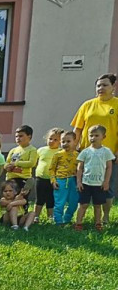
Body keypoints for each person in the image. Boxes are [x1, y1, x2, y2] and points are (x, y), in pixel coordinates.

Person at [71, 74, 118, 220]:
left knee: (107, 187)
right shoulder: (87, 105)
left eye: (105, 85)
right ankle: (80, 218)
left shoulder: (116, 105)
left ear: (113, 87)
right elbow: (77, 129)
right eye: (98, 85)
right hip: (87, 153)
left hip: (108, 155)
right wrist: (73, 148)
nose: (101, 88)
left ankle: (105, 217)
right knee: (83, 186)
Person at [74, 125, 116, 232]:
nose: (93, 138)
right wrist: (79, 181)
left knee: (98, 205)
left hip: (99, 184)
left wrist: (106, 182)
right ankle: (78, 223)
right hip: (86, 183)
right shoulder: (85, 152)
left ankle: (98, 223)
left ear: (103, 137)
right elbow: (80, 168)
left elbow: (109, 167)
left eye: (96, 135)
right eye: (91, 135)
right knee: (83, 204)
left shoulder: (106, 151)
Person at [28, 128, 62, 226]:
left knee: (51, 198)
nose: (52, 141)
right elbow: (34, 162)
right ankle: (36, 216)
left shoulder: (60, 152)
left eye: (55, 140)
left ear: (60, 141)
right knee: (39, 198)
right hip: (40, 178)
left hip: (53, 179)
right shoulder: (41, 150)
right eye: (50, 138)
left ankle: (50, 217)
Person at [51, 128, 80, 225]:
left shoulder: (78, 155)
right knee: (60, 202)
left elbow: (81, 169)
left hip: (74, 181)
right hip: (61, 180)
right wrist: (53, 181)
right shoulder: (57, 155)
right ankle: (58, 221)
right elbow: (52, 169)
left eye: (68, 141)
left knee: (73, 203)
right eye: (63, 141)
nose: (65, 144)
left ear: (74, 141)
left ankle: (67, 219)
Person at [3, 125, 37, 198]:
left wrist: (16, 163)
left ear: (29, 137)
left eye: (21, 136)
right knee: (9, 199)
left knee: (21, 199)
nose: (18, 138)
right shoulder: (13, 150)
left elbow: (31, 163)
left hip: (23, 179)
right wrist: (7, 167)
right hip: (11, 178)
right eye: (16, 136)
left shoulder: (32, 150)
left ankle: (23, 209)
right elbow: (6, 163)